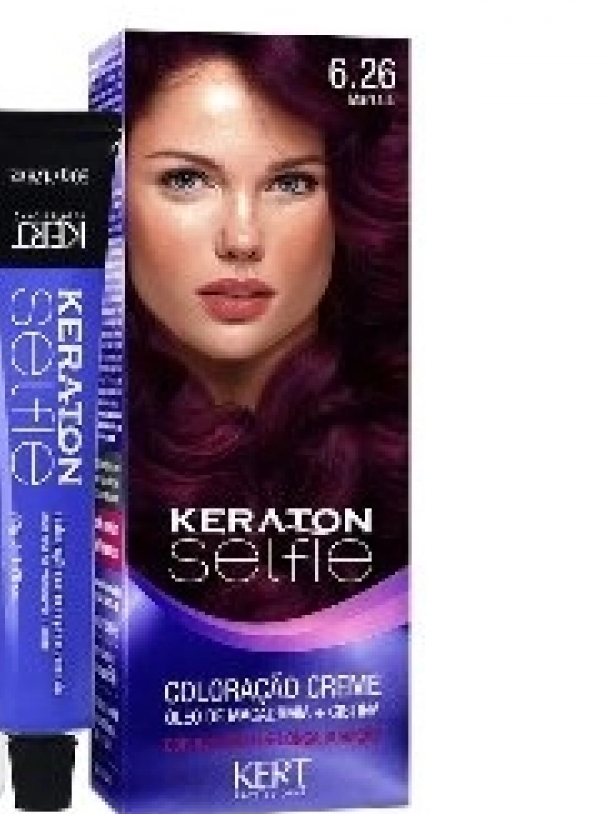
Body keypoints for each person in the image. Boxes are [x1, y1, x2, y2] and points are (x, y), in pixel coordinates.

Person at [124, 33, 409, 622]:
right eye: (186, 180)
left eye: (292, 183)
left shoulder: (407, 463)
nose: (242, 239)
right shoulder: (78, 461)